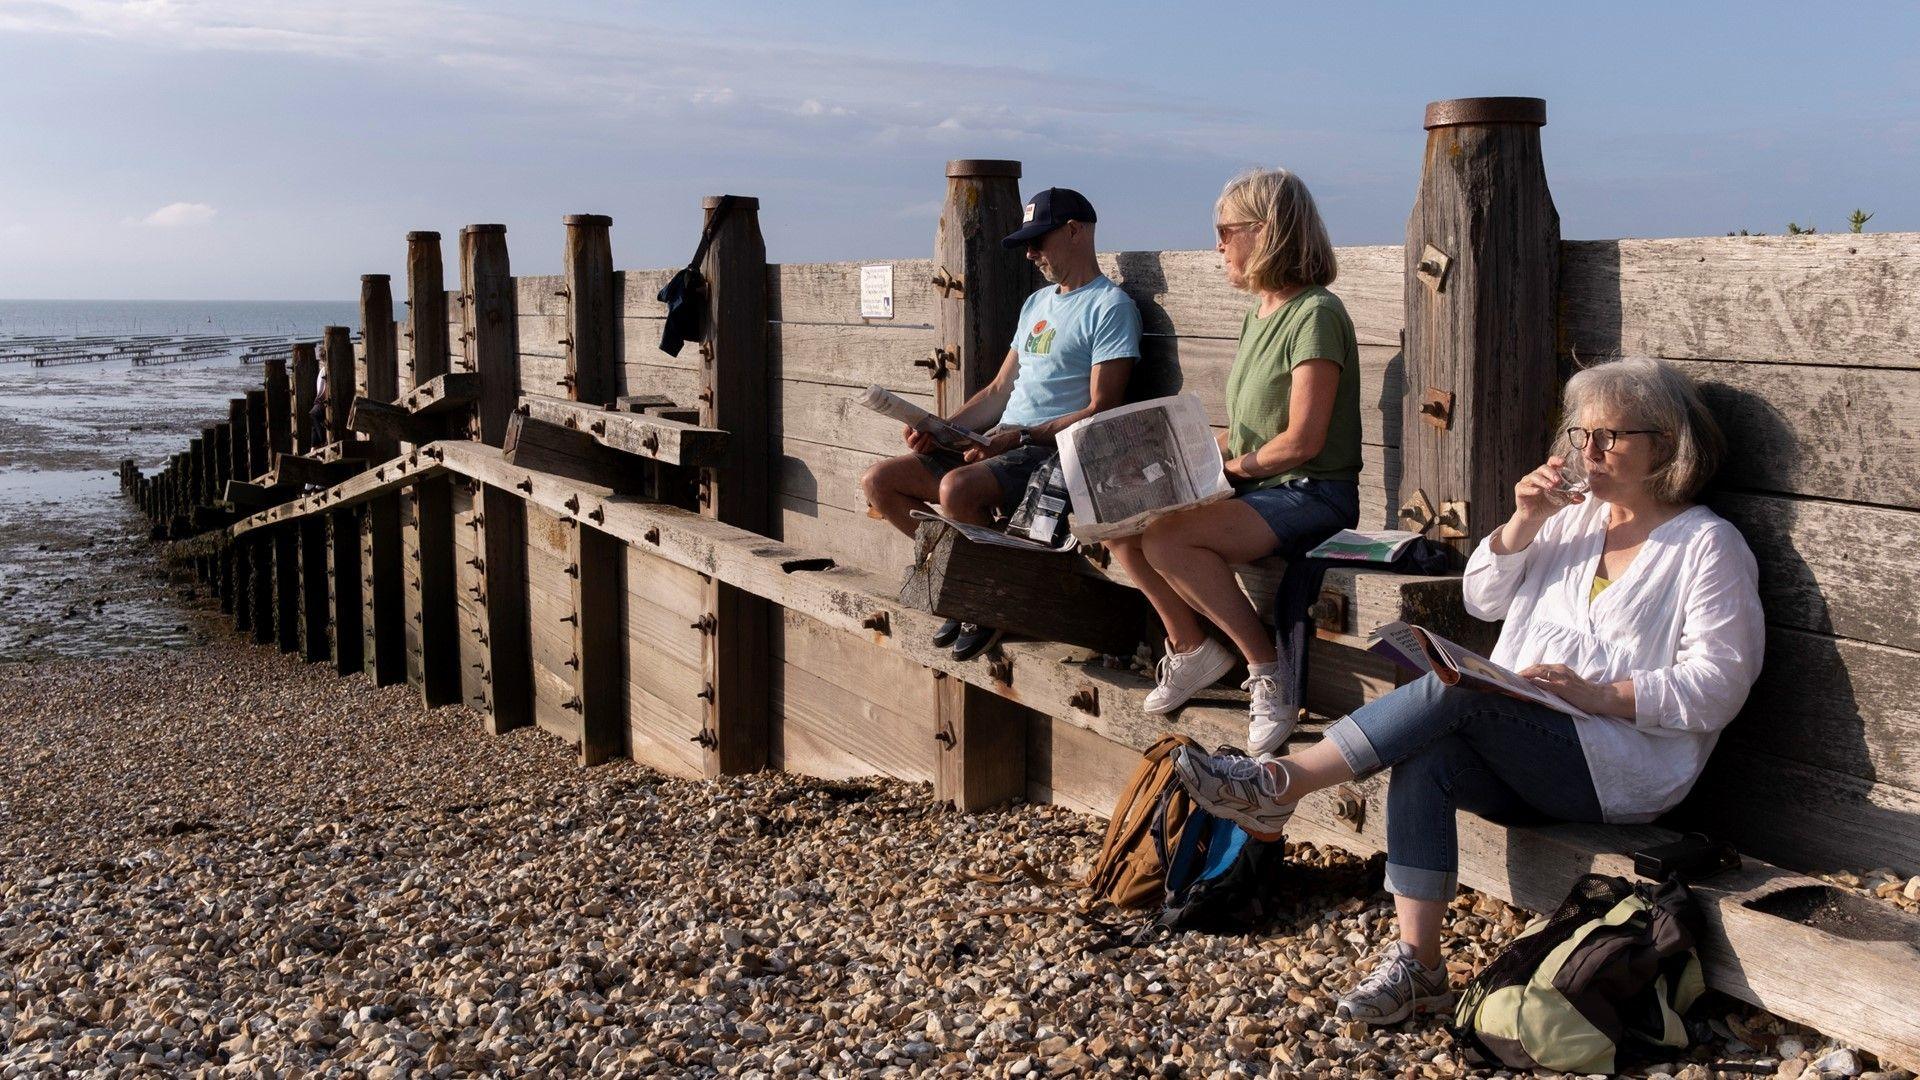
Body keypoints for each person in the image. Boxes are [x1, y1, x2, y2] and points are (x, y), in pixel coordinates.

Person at [1171, 356, 1765, 1026]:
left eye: (1610, 437)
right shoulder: (1567, 521)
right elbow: (1482, 600)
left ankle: (1278, 785)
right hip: (1523, 746)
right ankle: (1418, 964)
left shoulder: (1708, 547)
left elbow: (1719, 685)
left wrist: (1599, 693)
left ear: (1667, 445)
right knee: (1430, 754)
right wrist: (1522, 521)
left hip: (1619, 765)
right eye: (1580, 436)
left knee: (1461, 693)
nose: (1588, 451)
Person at [1105, 168, 1362, 753]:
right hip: (1262, 489)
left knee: (1168, 540)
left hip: (1311, 491)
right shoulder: (1260, 314)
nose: (1218, 244)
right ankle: (1193, 650)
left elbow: (1302, 443)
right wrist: (1170, 462)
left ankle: (1268, 670)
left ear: (1266, 231)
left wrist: (1225, 472)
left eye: (1226, 229)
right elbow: (1245, 433)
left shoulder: (1317, 312)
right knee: (1120, 525)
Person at [861, 187, 1141, 661]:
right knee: (880, 482)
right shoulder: (1036, 306)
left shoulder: (1110, 307)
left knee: (956, 490)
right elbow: (998, 391)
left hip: (1049, 449)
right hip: (1003, 440)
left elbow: (1102, 409)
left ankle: (984, 596)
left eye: (1039, 241)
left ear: (1075, 232)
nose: (1031, 254)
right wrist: (940, 427)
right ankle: (971, 582)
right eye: (1027, 244)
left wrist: (1023, 436)